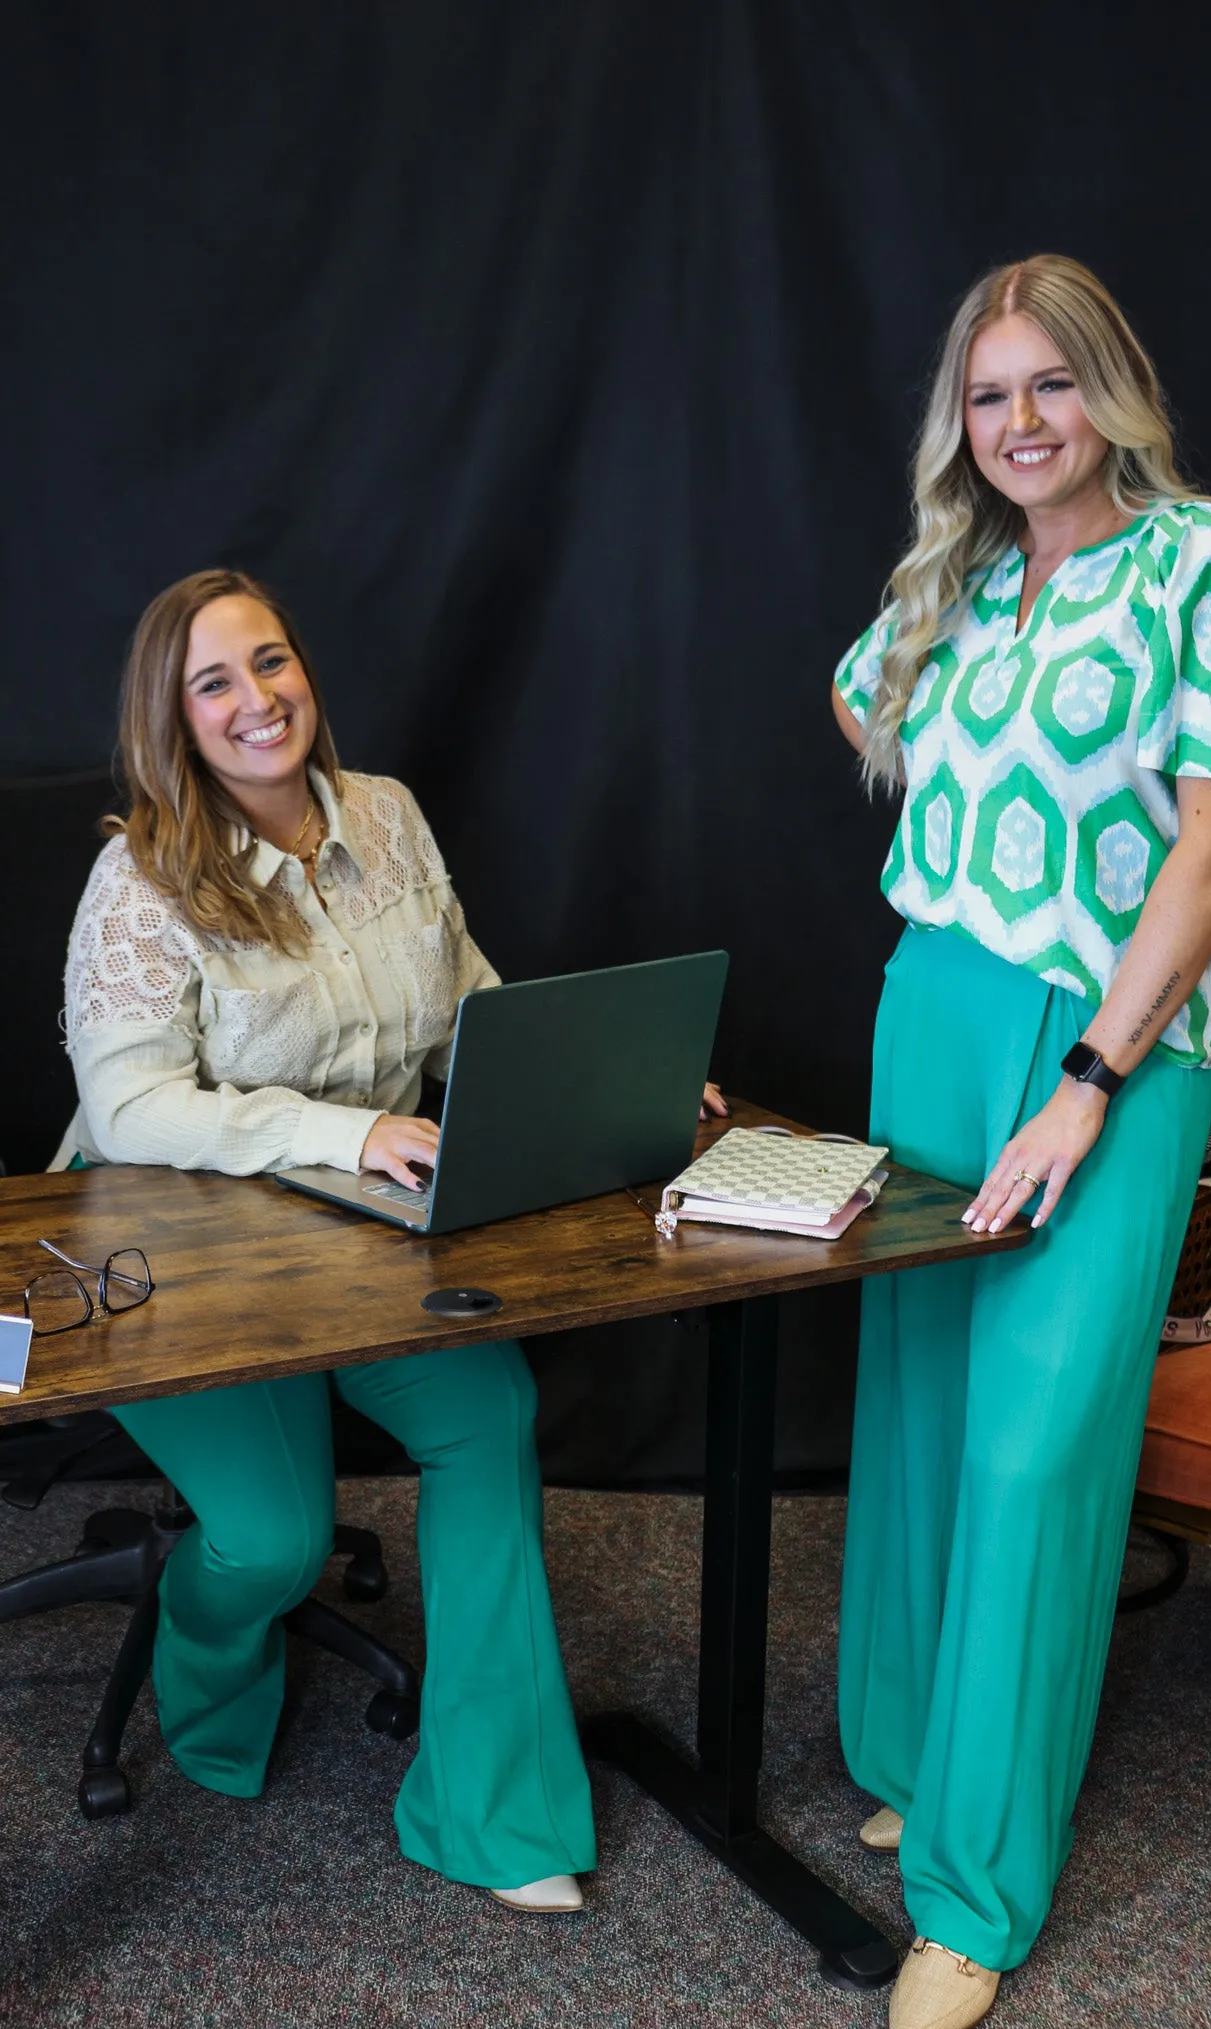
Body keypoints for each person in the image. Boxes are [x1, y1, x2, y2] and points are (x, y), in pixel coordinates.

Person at [55, 566, 726, 1912]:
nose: (258, 699)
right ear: (172, 719)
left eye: (273, 661)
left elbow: (461, 999)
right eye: (216, 682)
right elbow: (128, 1103)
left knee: (491, 1415)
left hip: (371, 1228)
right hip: (176, 1256)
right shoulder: (143, 873)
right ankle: (202, 1651)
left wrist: (609, 1081)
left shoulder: (389, 817)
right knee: (277, 1538)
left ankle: (495, 1812)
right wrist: (341, 1133)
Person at [829, 255, 1211, 2029]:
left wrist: (1091, 1078)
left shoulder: (1210, 563)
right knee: (921, 1399)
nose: (1020, 423)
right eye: (987, 396)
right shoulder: (955, 578)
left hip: (1109, 1044)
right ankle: (911, 1758)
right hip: (937, 1013)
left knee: (1035, 1453)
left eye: (1050, 386)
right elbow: (857, 699)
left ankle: (973, 1895)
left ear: (1111, 388)